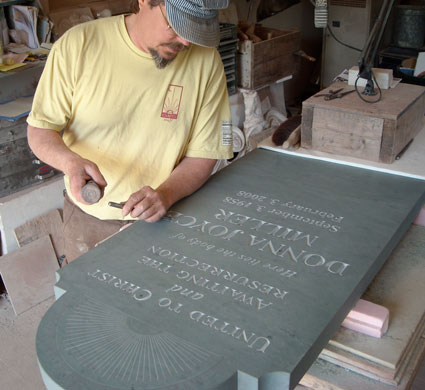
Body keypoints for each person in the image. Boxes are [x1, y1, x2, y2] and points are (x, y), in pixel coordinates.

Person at [27, 0, 233, 263]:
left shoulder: (206, 61)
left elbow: (204, 153)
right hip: (90, 220)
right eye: (174, 25)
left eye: (195, 30)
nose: (185, 41)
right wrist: (70, 163)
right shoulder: (78, 45)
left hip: (166, 217)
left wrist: (166, 195)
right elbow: (40, 130)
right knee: (87, 302)